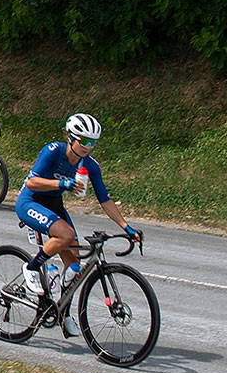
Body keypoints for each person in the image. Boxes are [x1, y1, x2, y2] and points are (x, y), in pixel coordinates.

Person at [12, 113, 137, 299]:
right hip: (31, 201)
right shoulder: (53, 151)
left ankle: (62, 312)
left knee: (74, 268)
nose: (89, 146)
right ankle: (31, 268)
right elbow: (32, 183)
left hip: (54, 204)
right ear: (70, 137)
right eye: (85, 140)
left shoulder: (90, 165)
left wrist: (127, 227)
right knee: (66, 234)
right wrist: (62, 184)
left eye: (93, 142)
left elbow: (105, 200)